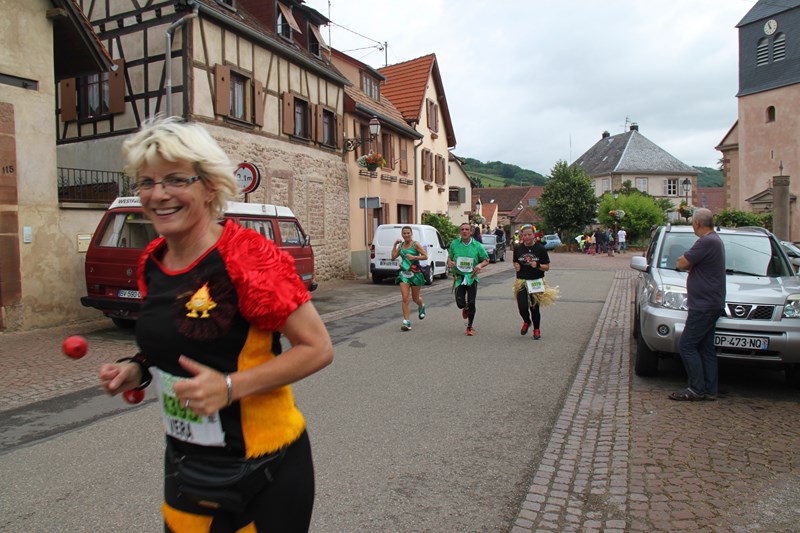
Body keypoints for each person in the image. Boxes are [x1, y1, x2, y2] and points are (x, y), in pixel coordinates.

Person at [98, 117, 333, 531]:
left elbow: (317, 348)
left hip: (264, 466)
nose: (158, 195)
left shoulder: (248, 256)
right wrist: (135, 369)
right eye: (146, 182)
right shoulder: (152, 260)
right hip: (187, 464)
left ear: (209, 187)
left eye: (175, 180)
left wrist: (229, 388)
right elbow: (173, 343)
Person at [670, 208, 725, 401]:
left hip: (703, 305)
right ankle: (710, 389)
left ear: (697, 224)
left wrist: (686, 261)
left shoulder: (706, 242)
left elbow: (681, 263)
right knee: (706, 348)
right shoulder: (715, 241)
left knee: (687, 345)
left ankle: (696, 388)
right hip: (712, 302)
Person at [448, 222, 490, 336]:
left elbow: (486, 259)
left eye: (467, 229)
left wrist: (480, 265)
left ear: (471, 232)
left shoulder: (477, 245)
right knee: (459, 302)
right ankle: (464, 307)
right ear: (460, 232)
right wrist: (450, 263)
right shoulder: (454, 244)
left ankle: (470, 326)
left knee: (472, 302)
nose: (464, 231)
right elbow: (449, 258)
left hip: (472, 277)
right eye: (462, 229)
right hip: (459, 277)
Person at [513, 225, 553, 340]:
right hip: (522, 280)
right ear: (522, 236)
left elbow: (547, 267)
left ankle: (536, 329)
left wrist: (538, 266)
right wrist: (516, 266)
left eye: (529, 234)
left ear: (534, 235)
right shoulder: (518, 248)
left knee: (535, 307)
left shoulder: (540, 249)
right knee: (522, 306)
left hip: (536, 280)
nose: (527, 237)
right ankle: (526, 321)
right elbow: (515, 262)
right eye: (524, 235)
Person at [392, 226, 428, 331]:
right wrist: (394, 245)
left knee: (415, 298)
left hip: (415, 273)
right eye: (404, 233)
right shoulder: (401, 245)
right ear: (402, 234)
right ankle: (406, 322)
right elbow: (393, 256)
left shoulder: (415, 244)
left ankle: (421, 306)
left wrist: (414, 257)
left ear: (411, 234)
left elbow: (425, 256)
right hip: (404, 273)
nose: (406, 235)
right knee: (405, 298)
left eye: (408, 233)